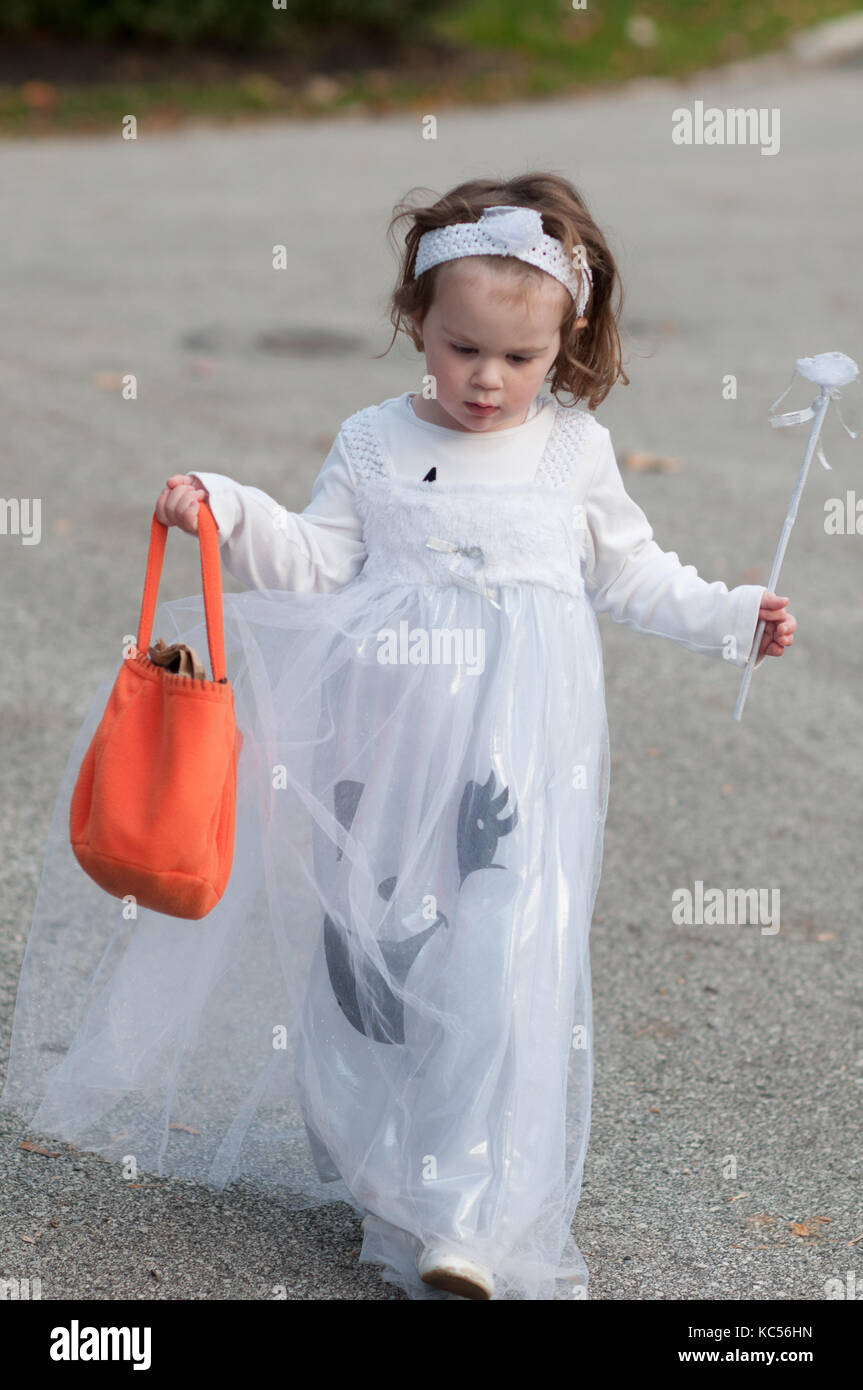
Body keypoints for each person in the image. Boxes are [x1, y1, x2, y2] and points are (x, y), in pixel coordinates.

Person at [1, 172, 795, 1302]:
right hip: (381, 754)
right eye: (462, 346)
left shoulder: (572, 450)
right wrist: (230, 505)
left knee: (495, 959)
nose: (487, 379)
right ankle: (380, 1147)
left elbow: (629, 572)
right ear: (415, 321)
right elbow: (318, 563)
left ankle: (466, 1208)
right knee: (366, 960)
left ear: (562, 345)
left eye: (519, 359)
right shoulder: (372, 443)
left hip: (513, 766)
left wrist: (729, 616)